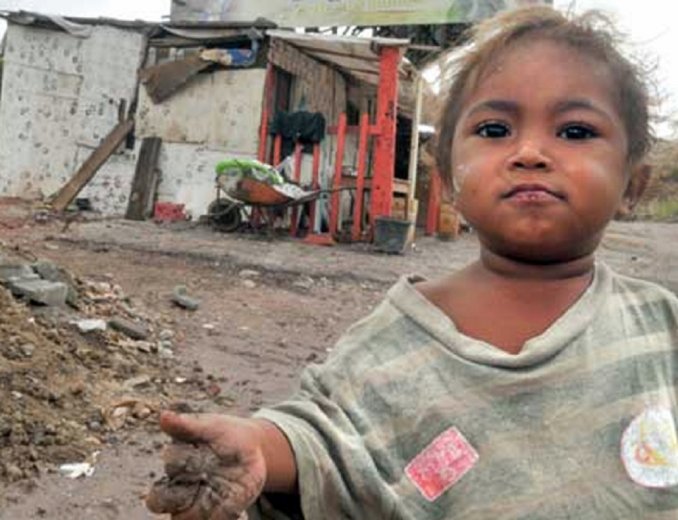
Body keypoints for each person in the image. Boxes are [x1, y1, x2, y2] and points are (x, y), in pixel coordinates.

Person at [146, 6, 678, 519]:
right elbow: (328, 438)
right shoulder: (394, 343)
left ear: (632, 185)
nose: (531, 153)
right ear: (446, 179)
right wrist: (259, 445)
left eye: (575, 131)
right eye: (495, 130)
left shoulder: (661, 325)